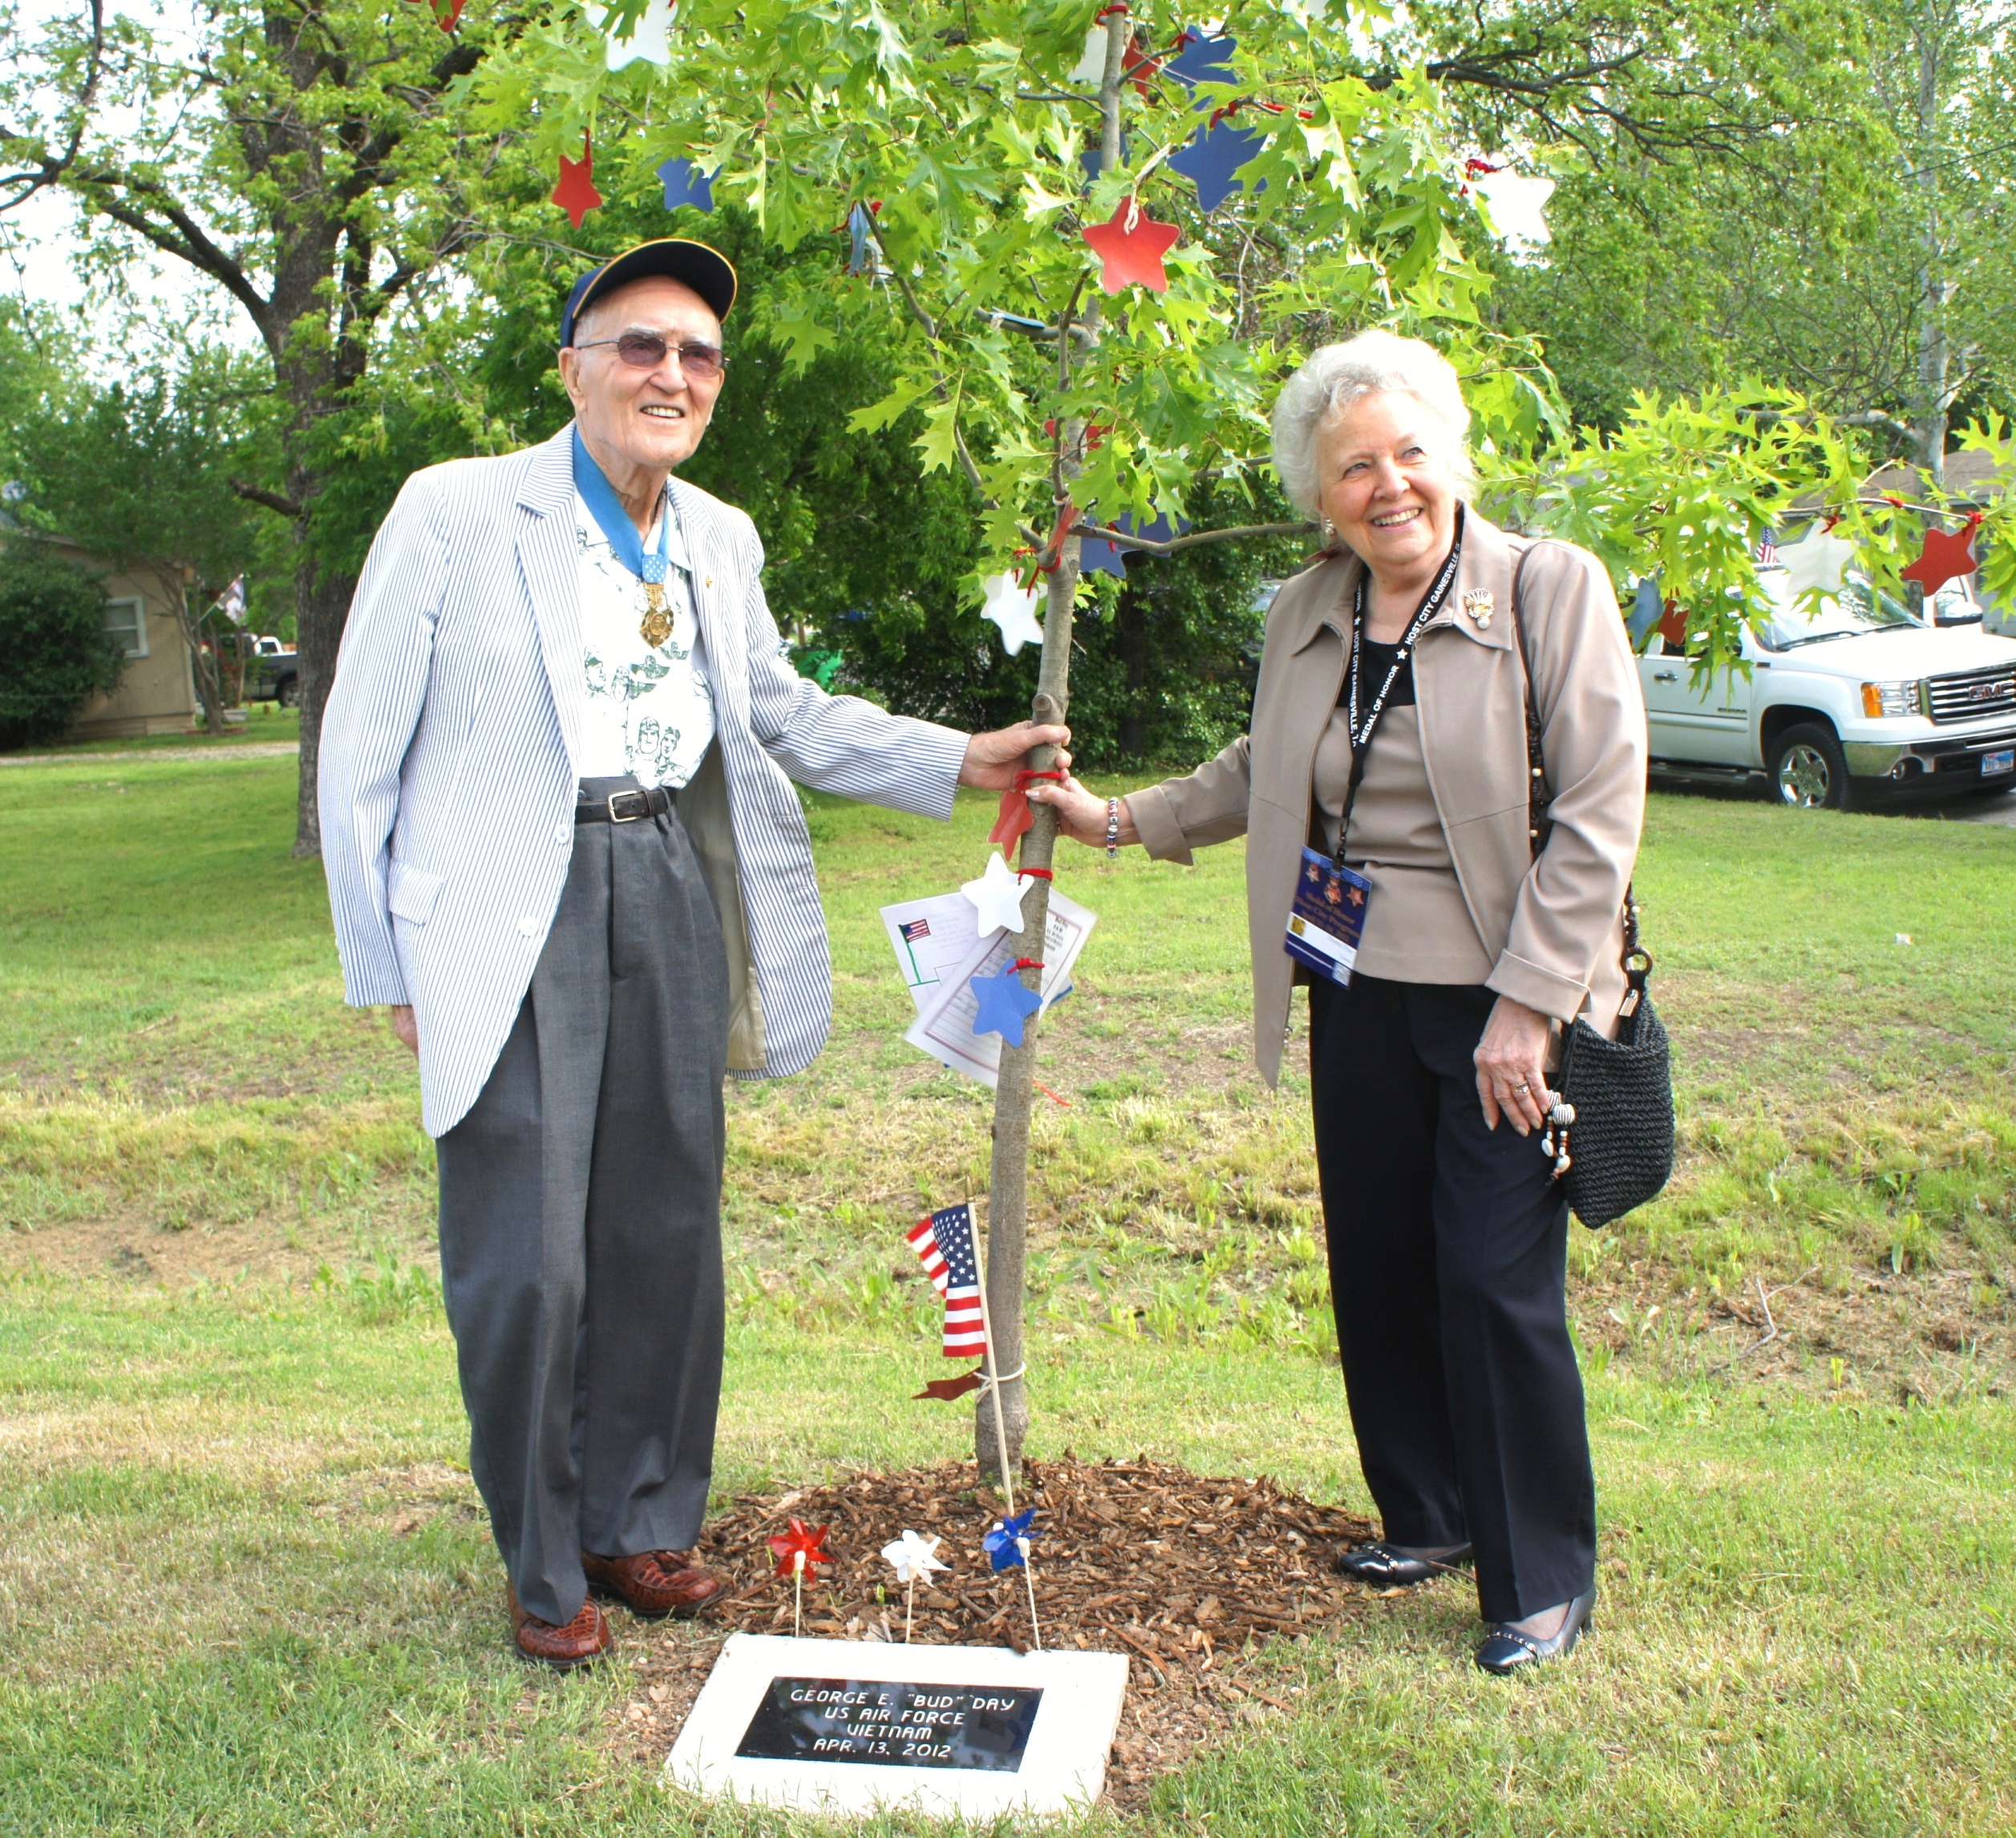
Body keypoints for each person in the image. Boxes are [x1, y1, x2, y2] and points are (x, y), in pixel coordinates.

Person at [318, 238, 1067, 1670]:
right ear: (575, 366)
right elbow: (360, 748)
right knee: (528, 1258)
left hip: (665, 877)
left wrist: (955, 759)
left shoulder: (716, 535)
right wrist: (386, 967)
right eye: (641, 345)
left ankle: (640, 1517)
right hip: (504, 909)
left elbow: (775, 705)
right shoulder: (458, 509)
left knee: (666, 1228)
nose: (671, 373)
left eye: (697, 356)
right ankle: (544, 1569)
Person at [1031, 330, 1645, 1675]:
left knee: (1492, 1281)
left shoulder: (1546, 589)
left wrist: (1531, 1005)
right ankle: (1425, 1517)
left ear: (1453, 459)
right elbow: (1266, 765)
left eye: (1411, 454)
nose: (1389, 487)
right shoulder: (1308, 609)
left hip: (1503, 999)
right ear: (1321, 497)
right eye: (1354, 467)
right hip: (1352, 986)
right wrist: (1118, 819)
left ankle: (1537, 1574)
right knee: (1379, 1266)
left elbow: (1599, 811)